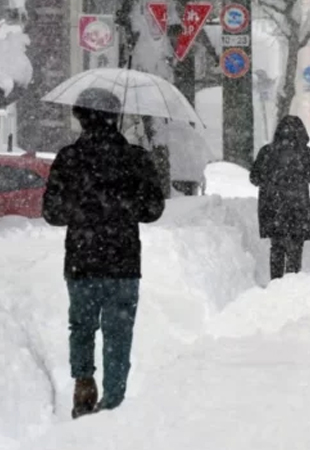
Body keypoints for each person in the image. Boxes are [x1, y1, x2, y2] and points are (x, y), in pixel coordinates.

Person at [42, 88, 165, 418]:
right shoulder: (135, 158)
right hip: (123, 262)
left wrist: (83, 208)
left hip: (82, 261)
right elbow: (153, 210)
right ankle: (113, 401)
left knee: (81, 326)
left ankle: (84, 381)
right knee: (118, 334)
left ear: (80, 117)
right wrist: (123, 205)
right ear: (115, 117)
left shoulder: (69, 158)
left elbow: (52, 213)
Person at [249, 115, 310, 280]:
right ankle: (292, 282)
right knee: (295, 249)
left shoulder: (267, 152)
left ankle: (276, 282)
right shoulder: (306, 154)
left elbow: (254, 178)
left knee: (276, 248)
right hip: (297, 210)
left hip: (273, 210)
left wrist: (271, 178)